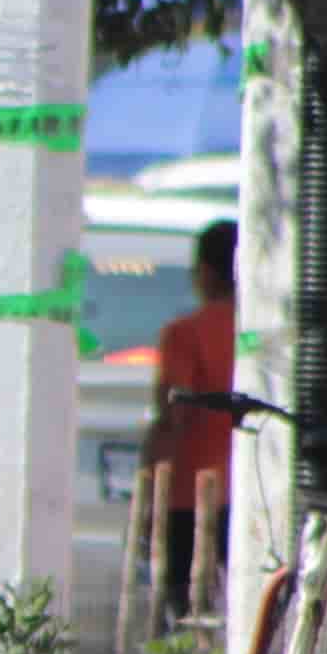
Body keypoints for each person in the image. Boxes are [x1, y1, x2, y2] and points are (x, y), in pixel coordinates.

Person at [145, 219, 239, 621]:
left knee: (183, 612)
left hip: (188, 493)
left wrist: (150, 477)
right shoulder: (261, 333)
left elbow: (173, 415)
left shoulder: (184, 334)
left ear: (205, 272)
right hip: (249, 493)